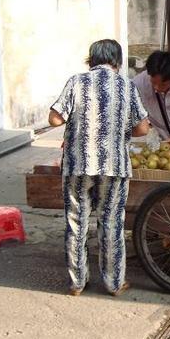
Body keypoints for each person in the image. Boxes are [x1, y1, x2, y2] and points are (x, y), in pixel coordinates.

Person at [48, 39, 150, 296]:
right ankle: (114, 283)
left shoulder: (76, 82)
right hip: (113, 166)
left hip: (77, 165)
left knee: (76, 222)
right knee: (112, 222)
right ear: (117, 61)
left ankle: (77, 283)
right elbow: (142, 128)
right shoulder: (126, 85)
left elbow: (55, 117)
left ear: (91, 60)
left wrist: (76, 122)